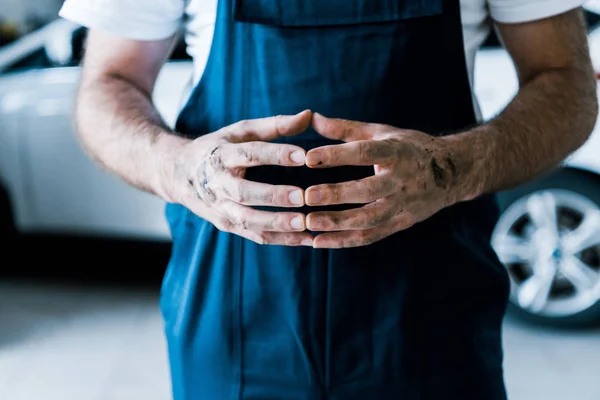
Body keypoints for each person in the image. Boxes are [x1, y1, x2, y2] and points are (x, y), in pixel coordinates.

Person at [59, 0, 597, 398]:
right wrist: (178, 168)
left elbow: (566, 82)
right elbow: (110, 82)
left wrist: (451, 169)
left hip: (430, 311)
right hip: (235, 312)